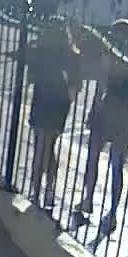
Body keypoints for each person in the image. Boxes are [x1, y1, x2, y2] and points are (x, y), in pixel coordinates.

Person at [76, 18, 128, 233]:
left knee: (93, 158)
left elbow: (101, 87)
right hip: (125, 116)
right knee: (117, 166)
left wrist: (92, 111)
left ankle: (88, 199)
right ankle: (113, 213)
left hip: (106, 112)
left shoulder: (110, 56)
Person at [26, 25, 83, 211]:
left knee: (40, 146)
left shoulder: (42, 53)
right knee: (49, 147)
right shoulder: (72, 56)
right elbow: (76, 86)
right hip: (59, 104)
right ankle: (49, 190)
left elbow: (31, 77)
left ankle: (35, 192)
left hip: (42, 99)